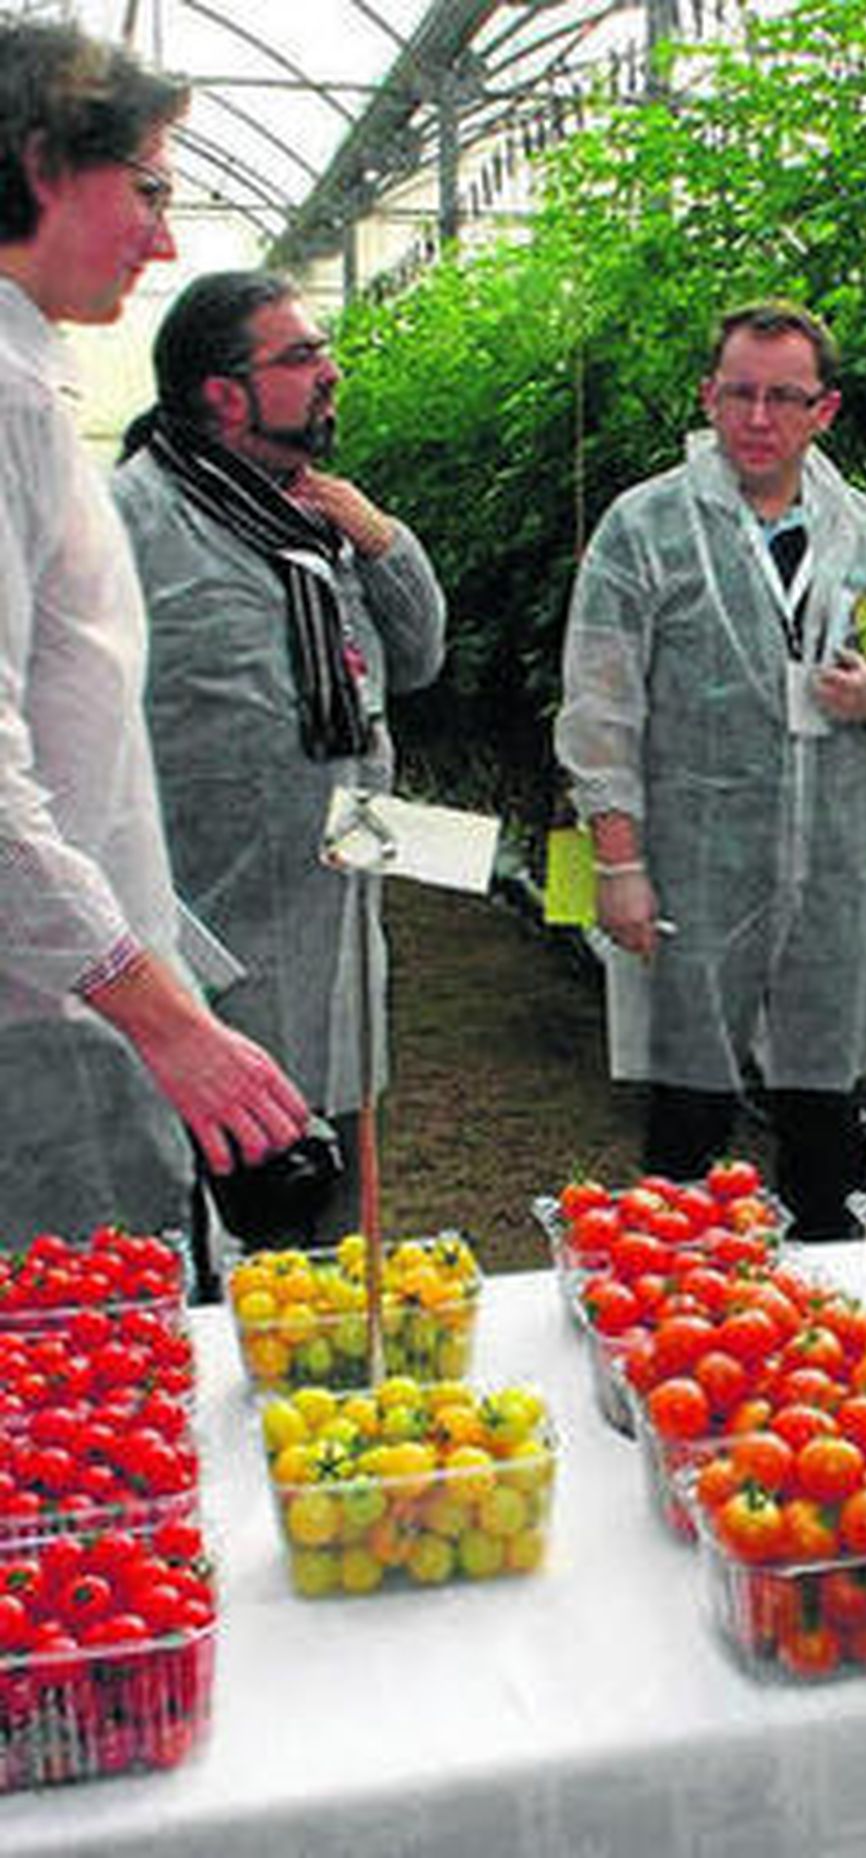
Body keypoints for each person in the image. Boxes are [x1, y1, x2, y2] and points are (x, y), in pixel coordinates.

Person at [555, 300, 866, 1239]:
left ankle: (822, 1323)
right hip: (693, 869)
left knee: (827, 1112)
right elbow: (599, 708)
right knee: (688, 1117)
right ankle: (667, 1318)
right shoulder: (645, 528)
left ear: (827, 411)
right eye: (739, 393)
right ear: (708, 397)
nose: (759, 418)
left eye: (786, 397)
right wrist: (618, 864)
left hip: (834, 867)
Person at [0, 16, 308, 1248]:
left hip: (73, 999)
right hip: (44, 1023)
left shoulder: (32, 385)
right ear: (38, 166)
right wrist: (164, 1018)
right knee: (84, 1393)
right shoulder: (7, 402)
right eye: (148, 188)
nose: (165, 235)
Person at [114, 271, 447, 1242]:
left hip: (339, 927)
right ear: (223, 391)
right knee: (231, 1245)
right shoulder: (130, 523)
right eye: (300, 357)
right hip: (210, 962)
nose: (330, 372)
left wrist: (381, 540)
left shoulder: (309, 523)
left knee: (336, 1228)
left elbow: (416, 663)